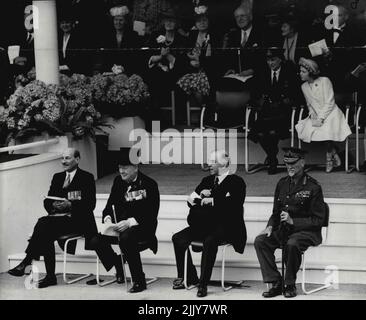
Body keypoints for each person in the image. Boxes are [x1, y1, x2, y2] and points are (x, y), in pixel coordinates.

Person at [8, 148, 98, 288]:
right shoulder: (57, 177)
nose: (63, 161)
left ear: (77, 159)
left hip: (78, 221)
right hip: (58, 220)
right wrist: (53, 205)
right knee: (46, 230)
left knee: (43, 224)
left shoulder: (87, 177)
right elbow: (47, 200)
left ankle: (28, 261)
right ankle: (49, 276)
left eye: (67, 158)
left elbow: (90, 204)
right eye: (62, 159)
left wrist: (70, 204)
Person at [172, 150, 247, 298]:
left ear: (224, 163)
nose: (209, 165)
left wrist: (212, 200)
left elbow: (234, 205)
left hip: (226, 226)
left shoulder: (237, 182)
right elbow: (190, 200)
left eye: (212, 162)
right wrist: (200, 196)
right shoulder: (206, 181)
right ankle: (189, 276)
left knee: (210, 240)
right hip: (203, 225)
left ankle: (203, 284)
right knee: (178, 238)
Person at [254, 147, 327, 298]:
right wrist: (270, 226)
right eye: (287, 163)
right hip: (285, 229)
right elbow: (275, 211)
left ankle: (290, 284)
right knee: (261, 241)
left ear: (302, 163)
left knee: (292, 243)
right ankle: (276, 282)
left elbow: (318, 219)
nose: (289, 167)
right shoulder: (282, 183)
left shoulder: (313, 187)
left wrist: (293, 221)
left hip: (307, 232)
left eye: (293, 163)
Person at [89, 148, 160, 293]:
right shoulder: (118, 182)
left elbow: (151, 213)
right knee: (94, 239)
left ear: (135, 167)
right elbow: (110, 205)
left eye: (125, 167)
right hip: (119, 227)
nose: (121, 171)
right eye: (119, 167)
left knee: (127, 237)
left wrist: (129, 222)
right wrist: (108, 219)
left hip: (142, 228)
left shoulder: (149, 184)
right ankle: (118, 265)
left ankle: (139, 280)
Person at [250, 47, 303, 174]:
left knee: (273, 132)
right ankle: (273, 157)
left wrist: (284, 102)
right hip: (266, 112)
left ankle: (271, 159)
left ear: (280, 60)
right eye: (268, 60)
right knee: (261, 134)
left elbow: (296, 95)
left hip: (283, 113)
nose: (270, 63)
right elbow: (255, 93)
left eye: (273, 60)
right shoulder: (262, 72)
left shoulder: (289, 72)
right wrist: (260, 102)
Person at [295, 57, 351, 173]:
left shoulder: (325, 81)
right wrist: (313, 115)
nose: (300, 74)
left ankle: (328, 158)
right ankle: (333, 152)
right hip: (317, 114)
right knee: (309, 130)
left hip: (332, 113)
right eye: (300, 71)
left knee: (325, 129)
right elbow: (309, 104)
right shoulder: (303, 86)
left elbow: (330, 102)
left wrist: (321, 118)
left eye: (303, 72)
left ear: (310, 72)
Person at [177, 5, 220, 106]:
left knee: (197, 84)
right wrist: (191, 62)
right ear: (195, 23)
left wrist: (199, 61)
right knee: (183, 82)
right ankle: (201, 111)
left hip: (208, 70)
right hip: (192, 69)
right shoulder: (192, 35)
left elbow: (214, 58)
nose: (202, 23)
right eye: (199, 21)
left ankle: (204, 110)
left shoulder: (214, 36)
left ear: (209, 21)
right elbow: (185, 54)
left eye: (204, 20)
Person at [99, 5, 142, 75]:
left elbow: (135, 57)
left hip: (128, 71)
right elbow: (106, 56)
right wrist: (113, 68)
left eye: (121, 20)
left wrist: (123, 68)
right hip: (110, 70)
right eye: (116, 20)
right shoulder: (107, 36)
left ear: (125, 21)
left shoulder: (133, 35)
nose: (118, 23)